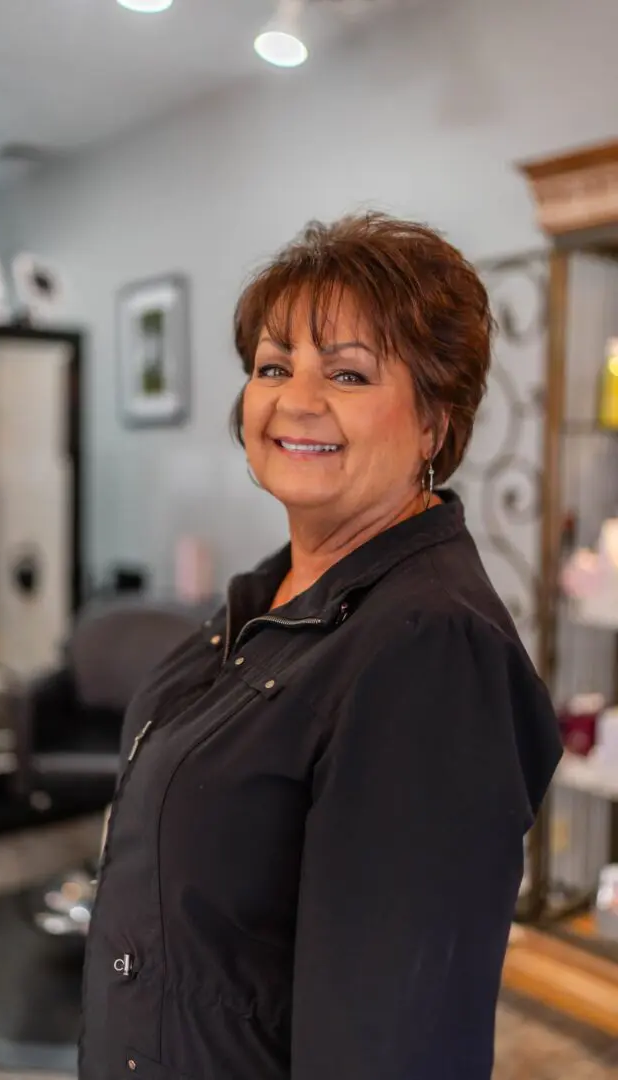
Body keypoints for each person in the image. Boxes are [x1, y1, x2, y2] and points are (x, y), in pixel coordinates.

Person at [80, 213, 562, 1080]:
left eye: (347, 372)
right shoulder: (265, 600)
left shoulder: (431, 653)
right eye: (273, 366)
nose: (295, 400)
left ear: (433, 425)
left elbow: (398, 1045)